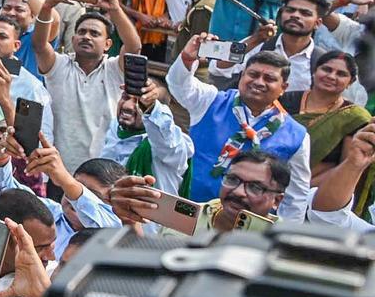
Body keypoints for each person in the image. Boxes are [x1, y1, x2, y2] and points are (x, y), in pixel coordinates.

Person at [167, 35, 310, 219]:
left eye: (269, 78)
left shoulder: (297, 136)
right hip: (189, 212)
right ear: (242, 75)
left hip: (245, 227)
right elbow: (179, 85)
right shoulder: (211, 101)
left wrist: (285, 238)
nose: (259, 82)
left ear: (283, 87)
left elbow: (296, 197)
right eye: (253, 74)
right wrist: (187, 58)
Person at [33, 0, 143, 173]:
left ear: (108, 44)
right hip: (58, 167)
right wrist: (47, 6)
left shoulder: (114, 69)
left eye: (95, 33)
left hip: (102, 170)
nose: (86, 36)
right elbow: (40, 45)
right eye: (81, 32)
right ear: (73, 38)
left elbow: (134, 48)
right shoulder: (59, 65)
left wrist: (115, 9)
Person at [0, 132, 121, 260]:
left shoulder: (116, 236)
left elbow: (108, 227)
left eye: (91, 195)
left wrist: (66, 181)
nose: (73, 198)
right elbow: (1, 191)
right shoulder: (47, 211)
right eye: (77, 187)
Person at [109, 148, 291, 234]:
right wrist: (129, 220)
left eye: (255, 187)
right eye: (233, 180)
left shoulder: (285, 242)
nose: (239, 192)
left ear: (277, 200)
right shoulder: (183, 217)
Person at [280, 51, 373, 213]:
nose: (331, 76)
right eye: (327, 69)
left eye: (341, 74)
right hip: (266, 185)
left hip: (314, 198)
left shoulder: (355, 118)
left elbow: (347, 164)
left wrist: (299, 190)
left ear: (350, 82)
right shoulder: (284, 101)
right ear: (315, 71)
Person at [100, 79, 194, 194]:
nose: (127, 106)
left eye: (139, 102)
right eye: (125, 97)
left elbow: (166, 136)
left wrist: (151, 107)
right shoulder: (115, 129)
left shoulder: (172, 143)